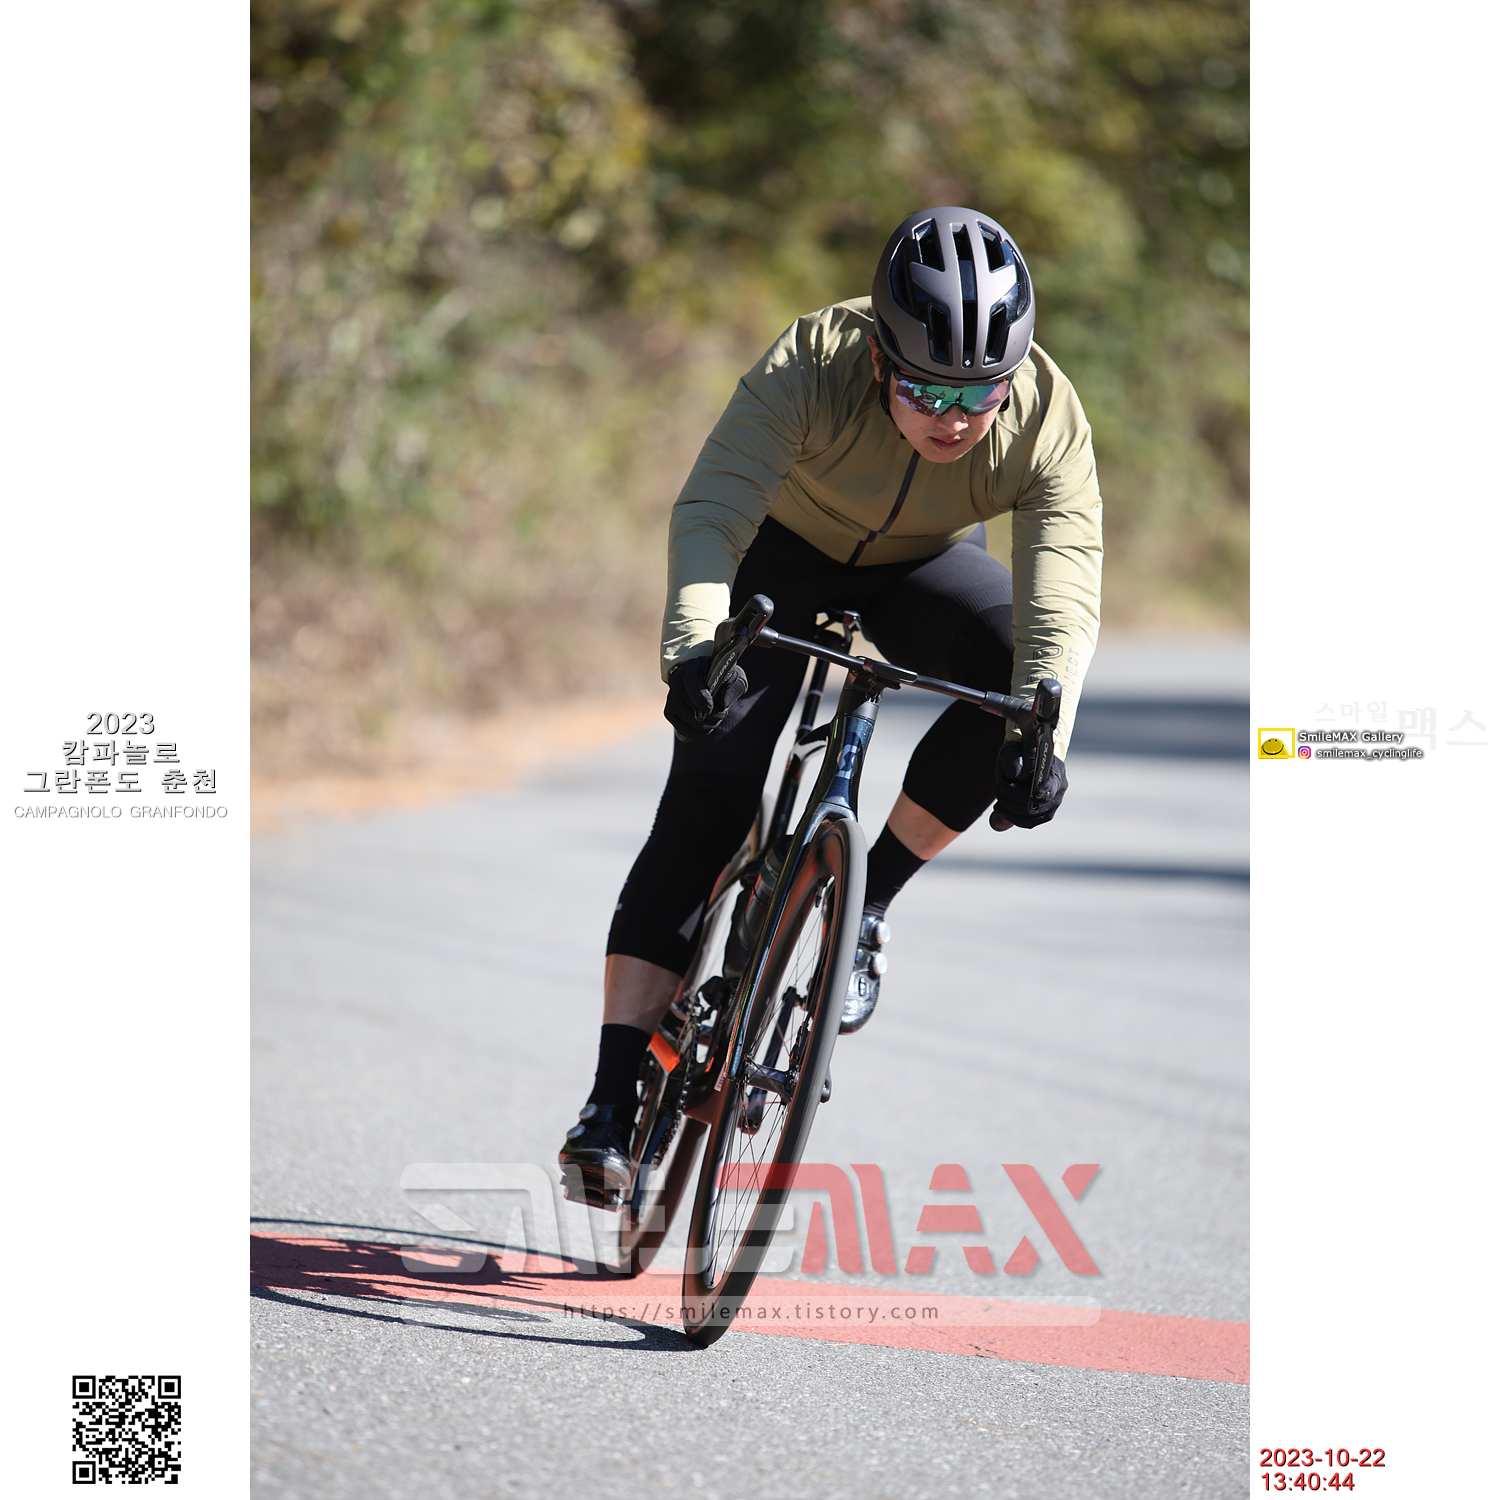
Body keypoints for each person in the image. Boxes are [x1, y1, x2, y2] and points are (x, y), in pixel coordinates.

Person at [559, 206, 1103, 1204]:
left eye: (980, 392)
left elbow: (1061, 590)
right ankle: (609, 1098)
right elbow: (715, 508)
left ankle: (867, 904)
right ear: (879, 355)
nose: (955, 417)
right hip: (782, 554)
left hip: (925, 568)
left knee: (1013, 691)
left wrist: (1046, 734)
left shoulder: (1045, 412)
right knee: (710, 794)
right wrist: (696, 653)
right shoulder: (812, 359)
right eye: (927, 388)